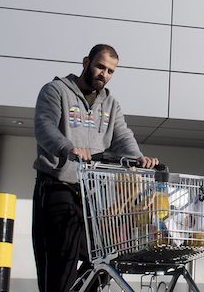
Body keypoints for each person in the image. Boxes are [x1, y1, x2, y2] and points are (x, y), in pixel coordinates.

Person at [32, 44, 159, 291]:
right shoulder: (56, 91)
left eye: (110, 71)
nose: (104, 74)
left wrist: (139, 157)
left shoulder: (111, 105)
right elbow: (44, 127)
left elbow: (122, 136)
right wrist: (68, 148)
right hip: (58, 185)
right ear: (86, 62)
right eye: (100, 66)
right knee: (63, 258)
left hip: (91, 193)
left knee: (105, 256)